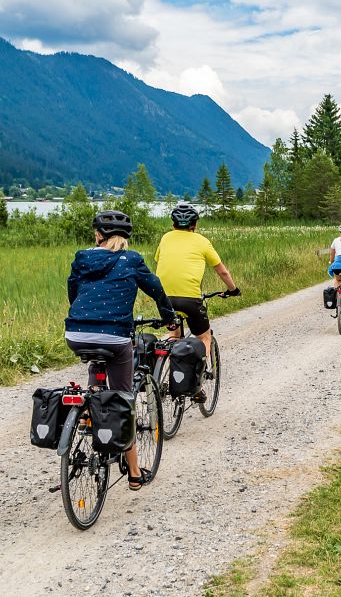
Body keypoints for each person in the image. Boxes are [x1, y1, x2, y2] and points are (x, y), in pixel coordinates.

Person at [65, 211, 178, 491]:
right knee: (123, 400)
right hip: (115, 337)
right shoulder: (132, 260)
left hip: (76, 333)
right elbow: (156, 289)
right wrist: (168, 317)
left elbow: (73, 291)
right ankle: (135, 473)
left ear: (97, 235)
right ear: (126, 237)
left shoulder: (82, 257)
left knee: (96, 364)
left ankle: (88, 412)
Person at [154, 203, 240, 402]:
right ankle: (196, 384)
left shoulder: (165, 238)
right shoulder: (201, 241)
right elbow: (222, 271)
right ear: (194, 224)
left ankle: (162, 371)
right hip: (190, 299)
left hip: (164, 299)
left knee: (174, 334)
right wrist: (233, 290)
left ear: (173, 224)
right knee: (205, 337)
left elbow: (162, 263)